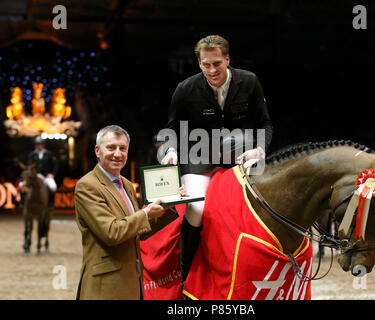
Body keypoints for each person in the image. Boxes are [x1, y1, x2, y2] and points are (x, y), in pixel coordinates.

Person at [161, 35, 273, 286]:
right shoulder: (185, 88)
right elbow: (171, 129)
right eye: (205, 65)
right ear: (199, 63)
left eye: (217, 64)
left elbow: (265, 123)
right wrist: (170, 150)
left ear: (227, 59)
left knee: (260, 208)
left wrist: (259, 150)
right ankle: (185, 273)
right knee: (197, 209)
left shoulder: (250, 81)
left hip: (241, 158)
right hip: (198, 159)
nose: (212, 70)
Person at [74, 125, 186, 300]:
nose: (118, 154)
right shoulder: (87, 185)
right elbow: (112, 233)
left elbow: (137, 231)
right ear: (97, 151)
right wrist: (147, 213)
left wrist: (168, 204)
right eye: (111, 148)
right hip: (105, 287)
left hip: (132, 282)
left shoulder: (126, 184)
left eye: (122, 148)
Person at [27, 136, 58, 210]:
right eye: (37, 144)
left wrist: (52, 174)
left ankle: (51, 204)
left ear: (43, 145)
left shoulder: (49, 154)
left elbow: (55, 165)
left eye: (40, 144)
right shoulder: (32, 155)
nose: (38, 146)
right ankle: (23, 203)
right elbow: (29, 166)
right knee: (22, 185)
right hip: (35, 176)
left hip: (46, 176)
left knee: (53, 187)